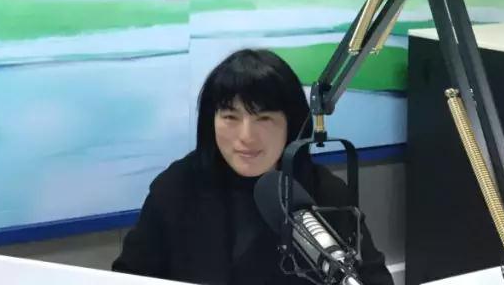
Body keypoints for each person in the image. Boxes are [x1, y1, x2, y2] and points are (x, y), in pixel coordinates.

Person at [112, 48, 394, 285]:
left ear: (292, 124)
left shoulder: (324, 193)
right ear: (211, 122)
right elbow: (129, 276)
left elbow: (373, 279)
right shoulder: (176, 188)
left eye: (264, 119)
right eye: (230, 117)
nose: (246, 136)